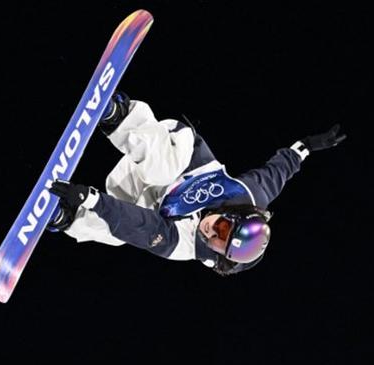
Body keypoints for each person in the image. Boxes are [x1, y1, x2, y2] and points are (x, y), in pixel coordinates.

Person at [46, 92, 346, 275]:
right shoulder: (250, 193)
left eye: (218, 244)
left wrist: (92, 200)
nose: (211, 232)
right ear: (237, 214)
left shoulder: (186, 246)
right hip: (171, 147)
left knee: (118, 232)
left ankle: (67, 215)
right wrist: (307, 146)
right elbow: (279, 171)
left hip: (145, 188)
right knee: (162, 170)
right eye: (224, 228)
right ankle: (119, 116)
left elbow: (140, 226)